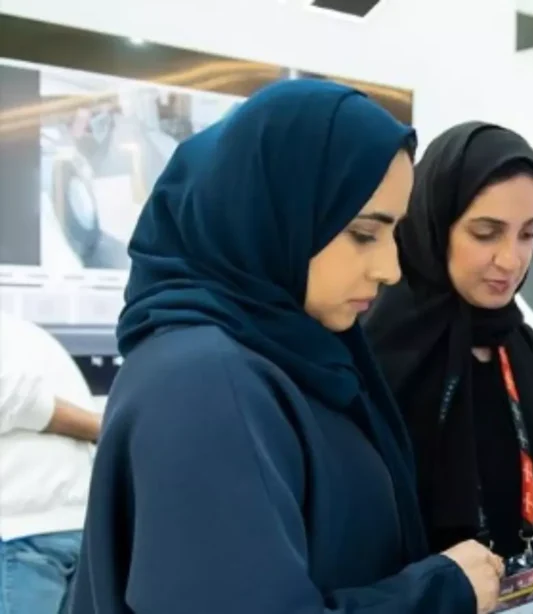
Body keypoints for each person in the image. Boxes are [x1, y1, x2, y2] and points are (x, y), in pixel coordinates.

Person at [65, 81, 504, 614]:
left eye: (396, 234)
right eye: (365, 233)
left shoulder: (294, 356)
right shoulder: (204, 384)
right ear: (277, 211)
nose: (389, 268)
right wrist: (441, 592)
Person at [364, 121, 533, 614]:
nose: (510, 259)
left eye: (529, 233)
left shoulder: (525, 351)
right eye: (485, 232)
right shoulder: (378, 354)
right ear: (436, 221)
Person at [0, 311, 100, 614]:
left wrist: (102, 427)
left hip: (21, 533)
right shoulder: (24, 331)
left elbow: (18, 398)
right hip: (71, 526)